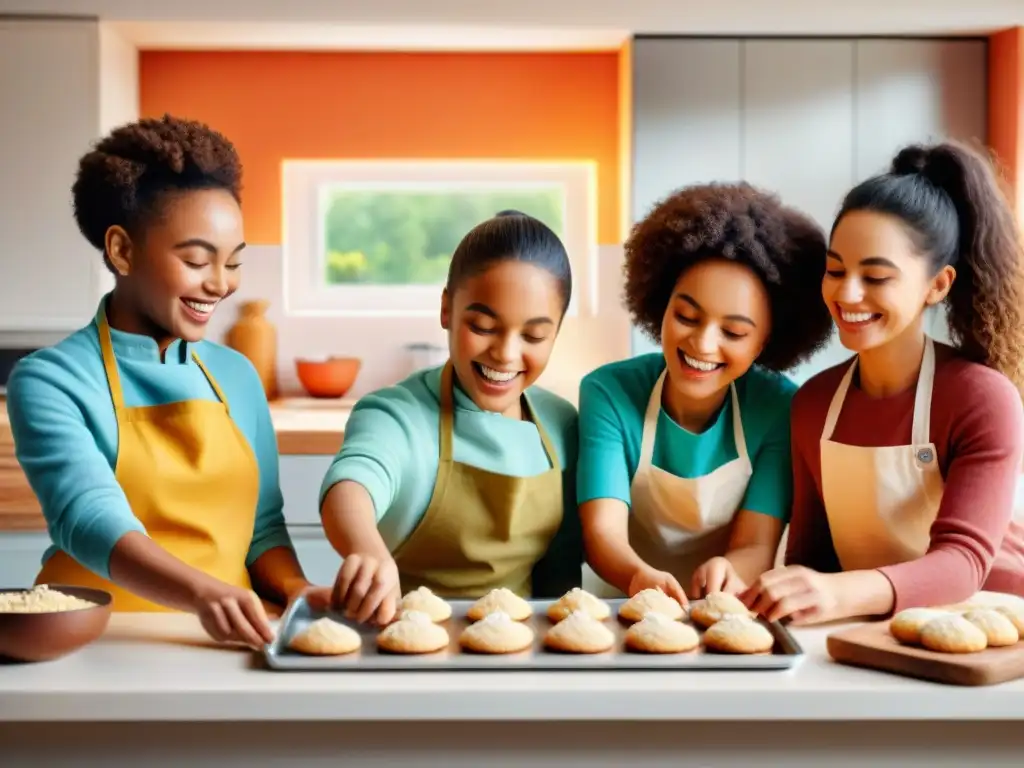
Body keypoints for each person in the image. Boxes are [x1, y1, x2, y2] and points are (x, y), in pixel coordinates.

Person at [5, 115, 311, 647]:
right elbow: (88, 518)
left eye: (233, 262)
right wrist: (202, 594)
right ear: (122, 250)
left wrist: (299, 589)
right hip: (95, 644)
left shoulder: (235, 374)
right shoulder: (52, 379)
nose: (219, 285)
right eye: (196, 260)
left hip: (227, 641)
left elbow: (262, 529)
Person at [742, 140, 1024, 625]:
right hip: (877, 632)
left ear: (938, 284)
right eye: (835, 270)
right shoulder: (813, 404)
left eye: (875, 277)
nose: (847, 293)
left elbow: (963, 564)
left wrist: (835, 595)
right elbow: (814, 561)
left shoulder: (981, 398)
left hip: (993, 626)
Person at [319, 210, 580, 625]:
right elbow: (353, 485)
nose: (506, 354)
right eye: (482, 325)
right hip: (403, 645)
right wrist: (367, 550)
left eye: (533, 336)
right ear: (446, 309)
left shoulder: (561, 423)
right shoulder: (398, 413)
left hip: (523, 654)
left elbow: (561, 575)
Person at [577, 183, 834, 604]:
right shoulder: (609, 391)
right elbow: (602, 530)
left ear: (765, 342)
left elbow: (756, 544)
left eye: (733, 332)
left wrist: (731, 570)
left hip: (723, 608)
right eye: (686, 316)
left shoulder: (780, 407)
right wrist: (638, 576)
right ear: (661, 304)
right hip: (621, 602)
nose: (702, 344)